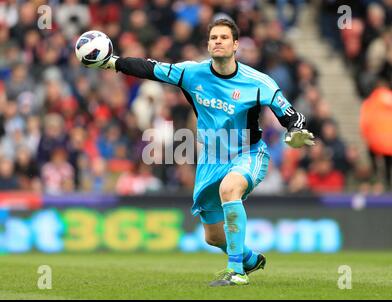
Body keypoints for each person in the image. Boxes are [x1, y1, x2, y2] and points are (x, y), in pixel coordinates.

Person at [88, 18, 314, 286]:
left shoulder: (258, 82)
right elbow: (150, 68)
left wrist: (294, 130)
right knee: (213, 237)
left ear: (235, 45)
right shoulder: (191, 73)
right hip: (211, 159)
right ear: (208, 44)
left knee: (230, 189)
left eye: (224, 37)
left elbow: (288, 112)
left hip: (249, 153)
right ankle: (249, 259)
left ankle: (236, 272)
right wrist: (113, 62)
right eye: (213, 37)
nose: (218, 41)